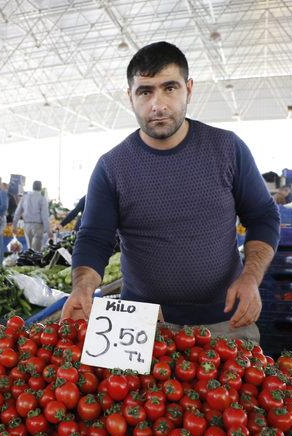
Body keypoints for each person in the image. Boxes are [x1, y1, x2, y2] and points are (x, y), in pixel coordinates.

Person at [61, 42, 280, 341]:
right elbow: (95, 237)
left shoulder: (227, 149)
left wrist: (251, 277)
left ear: (188, 89)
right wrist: (83, 287)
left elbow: (263, 216)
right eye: (145, 91)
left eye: (170, 88)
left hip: (224, 322)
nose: (158, 105)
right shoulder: (111, 167)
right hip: (140, 327)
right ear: (130, 96)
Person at [13, 181, 51, 252]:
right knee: (36, 251)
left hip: (27, 225)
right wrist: (48, 230)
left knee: (29, 249)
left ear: (33, 187)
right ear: (40, 188)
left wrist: (14, 225)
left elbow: (17, 212)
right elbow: (44, 215)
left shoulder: (25, 197)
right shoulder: (42, 198)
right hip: (38, 226)